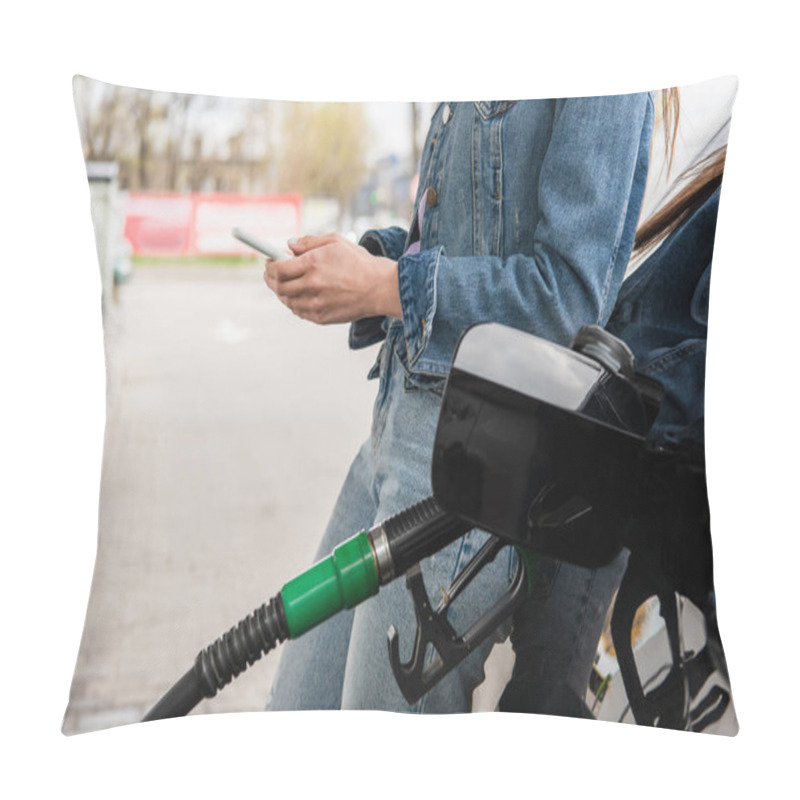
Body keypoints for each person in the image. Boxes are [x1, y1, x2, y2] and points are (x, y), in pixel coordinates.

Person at [264, 94, 659, 714]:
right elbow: (462, 243)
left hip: (462, 471)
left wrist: (379, 285)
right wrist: (361, 266)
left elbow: (566, 299)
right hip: (392, 430)